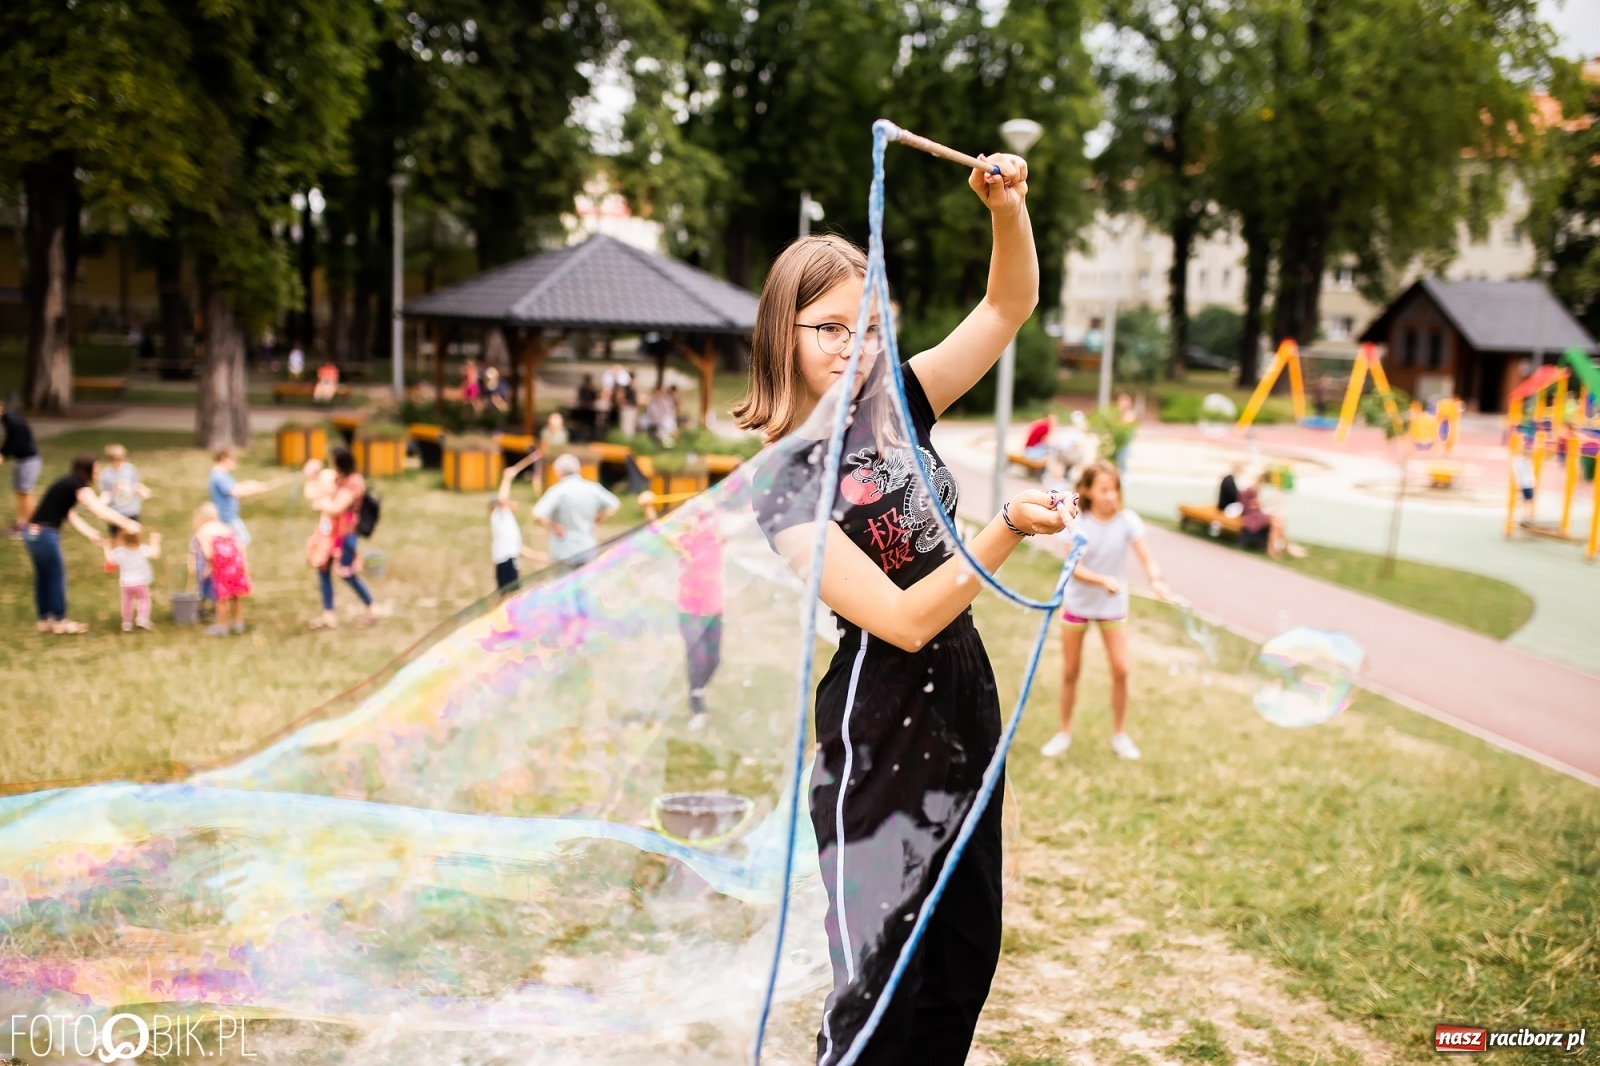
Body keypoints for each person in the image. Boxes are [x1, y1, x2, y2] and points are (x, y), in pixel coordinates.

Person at [740, 145, 1069, 1066]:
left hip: (967, 694)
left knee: (965, 961)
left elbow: (1009, 305)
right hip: (879, 722)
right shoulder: (782, 483)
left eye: (869, 327)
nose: (854, 348)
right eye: (829, 328)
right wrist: (1003, 525)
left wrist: (1006, 208)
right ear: (784, 336)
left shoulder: (904, 404)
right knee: (884, 985)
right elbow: (904, 617)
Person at [1041, 460, 1170, 762]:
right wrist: (1103, 580)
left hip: (1112, 606)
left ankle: (1120, 735)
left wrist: (1156, 580)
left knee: (1122, 670)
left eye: (1115, 489)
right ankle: (1063, 733)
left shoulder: (1128, 521)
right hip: (1078, 603)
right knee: (1070, 671)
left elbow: (1146, 558)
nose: (1111, 496)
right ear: (1087, 490)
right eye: (1104, 490)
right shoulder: (1077, 523)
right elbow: (1073, 567)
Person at [23, 455, 142, 634]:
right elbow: (99, 510)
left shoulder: (66, 483)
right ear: (86, 470)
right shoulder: (78, 486)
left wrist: (89, 533)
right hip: (45, 535)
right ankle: (59, 621)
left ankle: (45, 620)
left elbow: (69, 514)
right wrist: (127, 523)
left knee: (44, 577)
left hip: (32, 534)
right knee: (56, 576)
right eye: (95, 469)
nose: (97, 473)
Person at [308, 446, 379, 629]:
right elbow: (321, 488)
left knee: (347, 573)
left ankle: (372, 608)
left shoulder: (354, 482)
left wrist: (322, 503)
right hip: (331, 533)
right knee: (323, 570)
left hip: (344, 535)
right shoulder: (338, 477)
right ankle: (328, 614)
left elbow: (337, 508)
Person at [671, 509, 724, 729]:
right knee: (697, 659)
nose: (699, 524)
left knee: (714, 660)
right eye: (694, 520)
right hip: (688, 611)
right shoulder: (683, 542)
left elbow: (738, 522)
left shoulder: (716, 539)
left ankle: (698, 689)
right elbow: (657, 533)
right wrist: (647, 507)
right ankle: (697, 707)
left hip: (714, 609)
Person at [533, 453, 620, 566]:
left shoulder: (557, 491)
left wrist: (553, 526)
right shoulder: (593, 488)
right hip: (587, 545)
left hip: (563, 549)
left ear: (558, 472)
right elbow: (614, 504)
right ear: (578, 469)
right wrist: (597, 521)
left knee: (564, 582)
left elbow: (537, 513)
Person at [193, 503, 252, 636]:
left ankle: (222, 626)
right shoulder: (225, 527)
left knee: (222, 599)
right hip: (235, 565)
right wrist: (244, 566)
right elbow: (239, 546)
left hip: (221, 568)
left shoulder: (202, 531)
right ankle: (238, 624)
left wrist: (208, 567)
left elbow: (208, 553)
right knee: (236, 595)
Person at [491, 453, 545, 591]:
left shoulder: (506, 520)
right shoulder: (500, 515)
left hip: (510, 561)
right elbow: (502, 499)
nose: (513, 502)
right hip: (506, 561)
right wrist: (506, 479)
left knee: (509, 595)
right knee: (507, 596)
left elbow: (518, 548)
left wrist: (540, 557)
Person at [208, 449, 271, 549]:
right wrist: (256, 491)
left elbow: (237, 486)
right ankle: (235, 562)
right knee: (242, 539)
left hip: (228, 516)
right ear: (224, 459)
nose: (235, 463)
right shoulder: (219, 475)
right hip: (226, 517)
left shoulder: (221, 474)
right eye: (233, 460)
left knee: (237, 541)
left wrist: (254, 484)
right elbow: (236, 491)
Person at [1238, 468, 1306, 559]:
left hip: (1257, 514)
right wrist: (1257, 504)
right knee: (1276, 522)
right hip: (1253, 516)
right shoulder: (1251, 490)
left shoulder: (1256, 490)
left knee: (1279, 521)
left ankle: (1283, 546)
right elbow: (1249, 506)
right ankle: (1273, 549)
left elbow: (1258, 505)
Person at [105, 528, 162, 632]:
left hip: (126, 583)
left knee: (127, 602)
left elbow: (110, 559)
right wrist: (155, 540)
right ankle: (142, 618)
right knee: (144, 599)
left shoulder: (119, 552)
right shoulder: (142, 549)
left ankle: (126, 623)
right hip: (141, 582)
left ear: (122, 540)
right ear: (138, 538)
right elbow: (155, 554)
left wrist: (106, 546)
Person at [0, 398, 42, 537]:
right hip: (22, 460)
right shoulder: (8, 419)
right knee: (20, 491)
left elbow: (16, 441)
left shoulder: (13, 421)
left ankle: (33, 525)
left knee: (25, 492)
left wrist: (4, 454)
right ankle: (22, 523)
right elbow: (11, 440)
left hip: (28, 460)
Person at [99, 444, 150, 534]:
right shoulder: (106, 474)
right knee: (116, 538)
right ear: (110, 460)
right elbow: (105, 493)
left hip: (131, 510)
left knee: (133, 536)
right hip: (115, 512)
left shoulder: (130, 469)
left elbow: (136, 484)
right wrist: (101, 504)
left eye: (120, 459)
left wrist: (143, 490)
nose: (118, 462)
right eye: (115, 460)